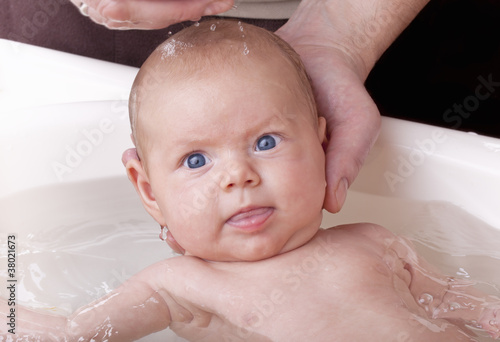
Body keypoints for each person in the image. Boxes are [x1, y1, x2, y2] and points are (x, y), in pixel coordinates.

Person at [2, 20, 499, 341]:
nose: (238, 176)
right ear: (149, 191)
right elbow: (72, 333)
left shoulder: (374, 240)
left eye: (266, 143)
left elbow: (465, 304)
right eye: (196, 160)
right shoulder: (180, 283)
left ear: (322, 146)